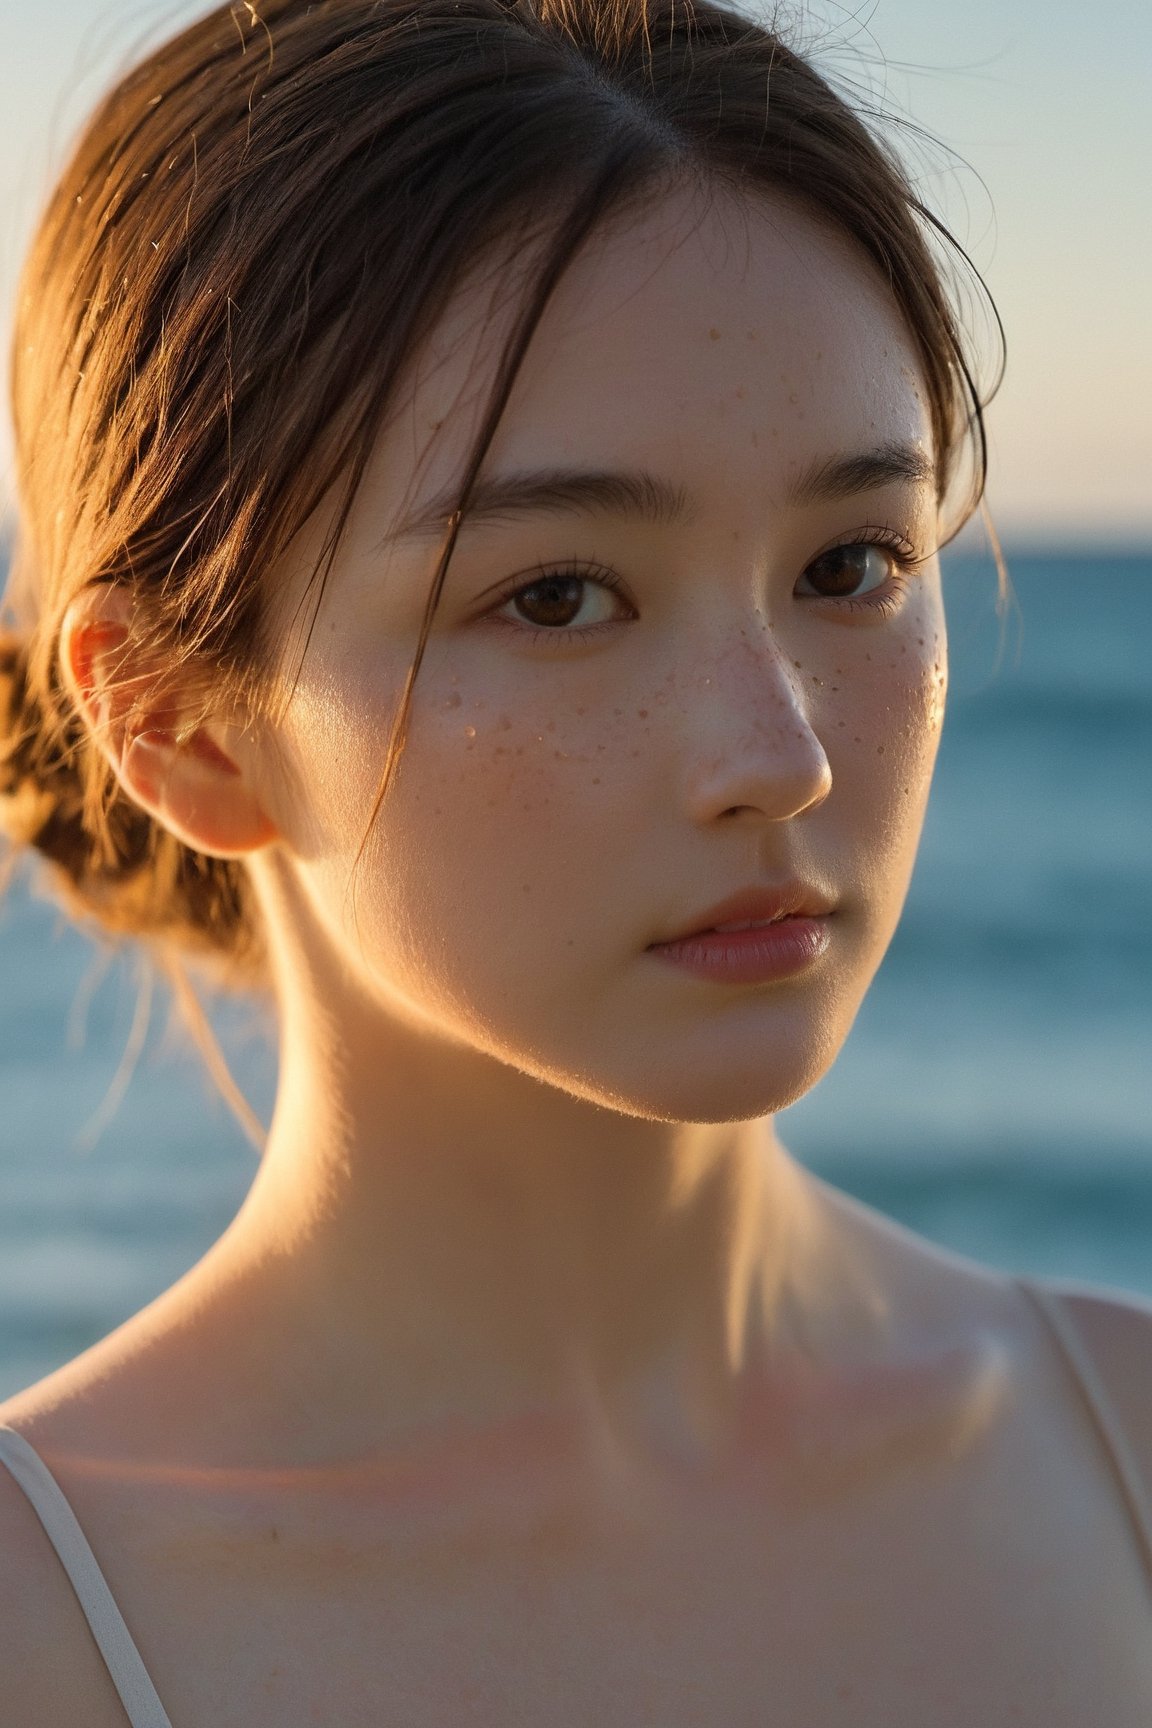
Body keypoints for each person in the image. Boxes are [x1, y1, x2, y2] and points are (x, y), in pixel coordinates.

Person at [0, 0, 1149, 1719]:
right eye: (557, 597)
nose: (781, 755)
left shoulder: (1124, 1448)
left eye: (850, 565)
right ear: (182, 725)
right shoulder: (54, 1625)